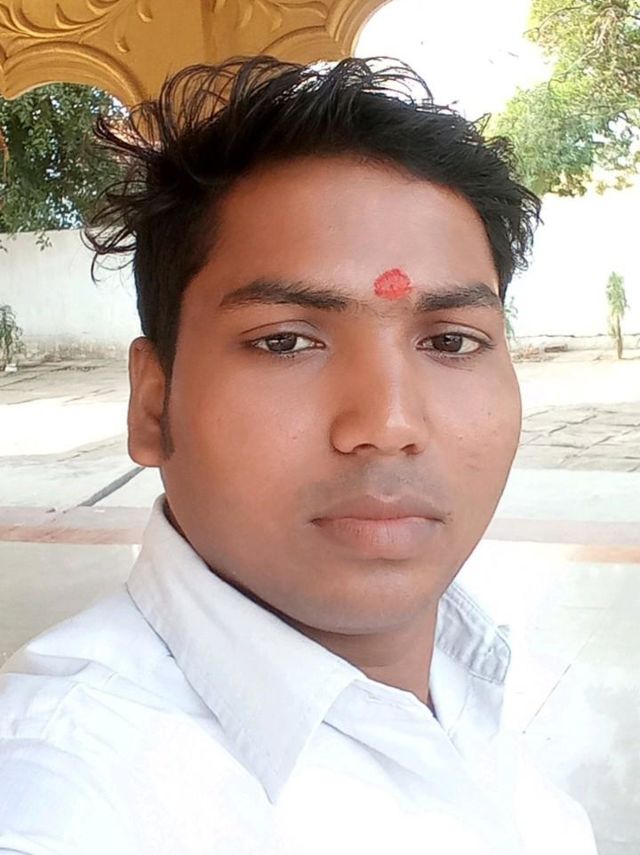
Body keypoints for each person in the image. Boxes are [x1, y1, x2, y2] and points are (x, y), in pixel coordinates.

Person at [0, 57, 597, 854]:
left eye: (452, 341)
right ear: (153, 402)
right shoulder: (63, 791)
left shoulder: (472, 667)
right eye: (285, 341)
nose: (388, 422)